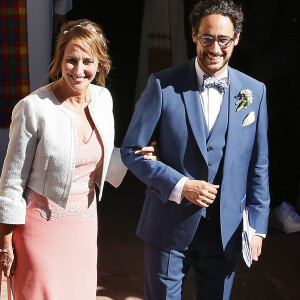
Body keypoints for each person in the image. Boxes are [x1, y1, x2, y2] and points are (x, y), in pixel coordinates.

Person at [121, 1, 270, 299]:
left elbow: (258, 163)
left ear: (236, 38)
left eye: (223, 39)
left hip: (225, 232)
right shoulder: (163, 85)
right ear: (194, 36)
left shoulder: (254, 91)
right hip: (168, 225)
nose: (214, 48)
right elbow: (131, 151)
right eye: (207, 38)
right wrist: (181, 185)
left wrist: (258, 225)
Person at [0, 19, 157, 299]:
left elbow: (97, 160)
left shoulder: (103, 99)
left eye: (88, 61)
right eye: (71, 60)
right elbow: (12, 182)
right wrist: (5, 243)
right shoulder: (33, 109)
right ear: (59, 60)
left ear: (100, 64)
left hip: (83, 227)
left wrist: (133, 157)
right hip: (39, 230)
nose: (79, 69)